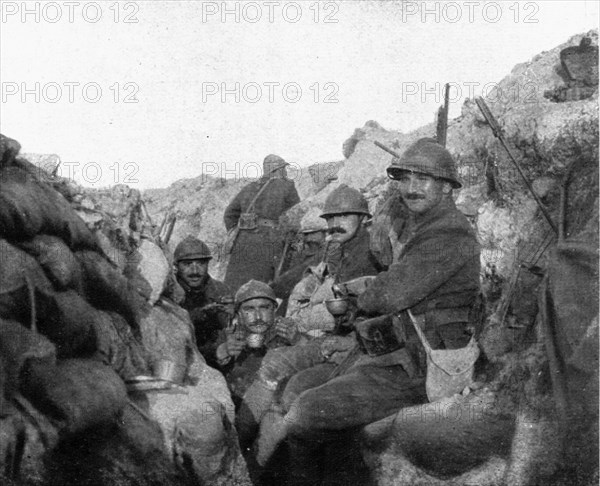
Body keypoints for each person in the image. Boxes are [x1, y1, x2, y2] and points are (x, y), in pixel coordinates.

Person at [256, 138, 482, 485]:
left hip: (420, 367)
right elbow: (398, 282)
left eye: (422, 180)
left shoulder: (448, 233)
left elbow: (391, 293)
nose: (410, 189)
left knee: (307, 412)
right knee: (306, 390)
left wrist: (364, 294)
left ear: (448, 187)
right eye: (404, 179)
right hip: (397, 355)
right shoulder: (427, 227)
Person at [237, 184, 382, 454]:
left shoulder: (371, 254)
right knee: (274, 363)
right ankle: (243, 449)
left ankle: (263, 458)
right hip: (335, 337)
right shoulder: (339, 252)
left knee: (295, 386)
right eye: (331, 219)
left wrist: (308, 328)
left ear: (363, 219)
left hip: (357, 345)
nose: (336, 224)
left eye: (344, 217)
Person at [212, 279, 297, 406]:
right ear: (239, 312)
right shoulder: (229, 335)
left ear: (274, 308)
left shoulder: (288, 332)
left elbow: (317, 351)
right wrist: (222, 351)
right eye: (249, 309)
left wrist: (299, 341)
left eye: (264, 308)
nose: (258, 317)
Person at [223, 154, 300, 292]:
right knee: (264, 286)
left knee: (236, 285)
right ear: (277, 169)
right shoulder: (287, 186)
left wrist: (237, 232)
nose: (286, 172)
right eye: (284, 168)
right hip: (270, 240)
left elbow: (229, 214)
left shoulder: (249, 188)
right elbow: (296, 214)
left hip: (243, 241)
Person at [173, 235, 233, 366]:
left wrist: (233, 314)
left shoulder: (221, 291)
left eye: (201, 264)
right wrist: (198, 315)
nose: (195, 271)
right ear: (176, 266)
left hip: (216, 358)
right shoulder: (170, 293)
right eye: (187, 264)